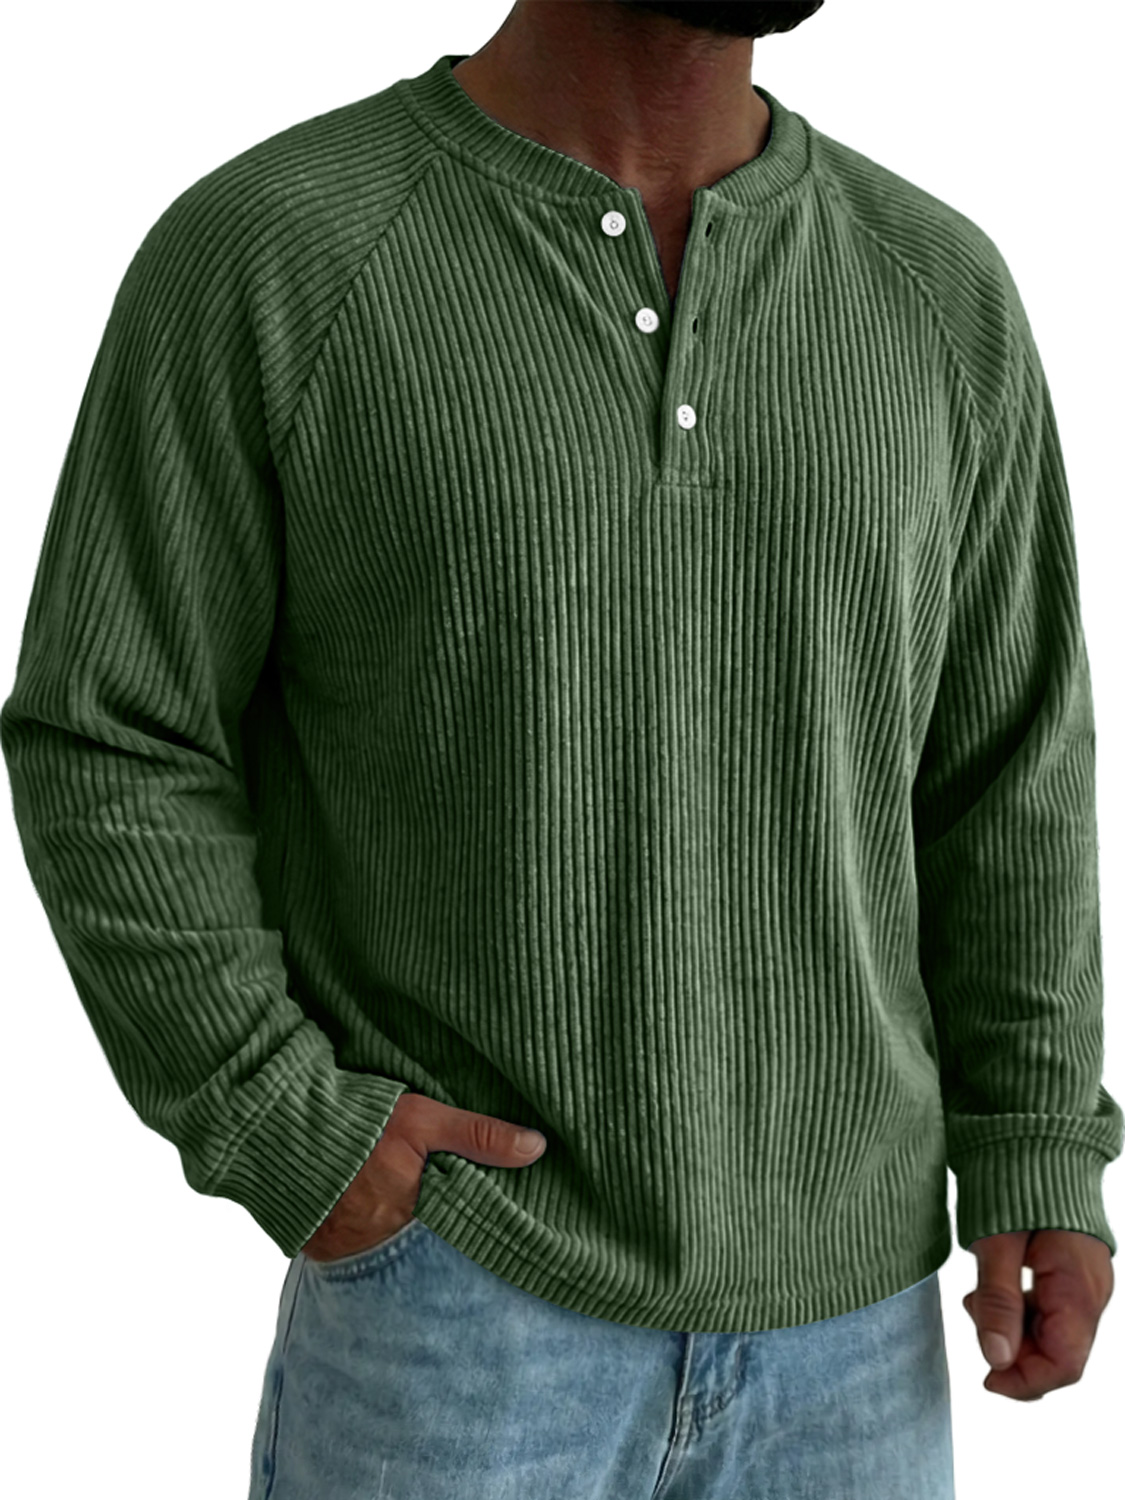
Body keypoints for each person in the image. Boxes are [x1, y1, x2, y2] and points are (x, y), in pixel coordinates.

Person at [1, 1, 1119, 1495]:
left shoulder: (935, 287)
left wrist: (1037, 1143)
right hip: (457, 1309)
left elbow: (1007, 767)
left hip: (855, 1338)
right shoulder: (278, 252)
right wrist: (279, 1117)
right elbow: (111, 725)